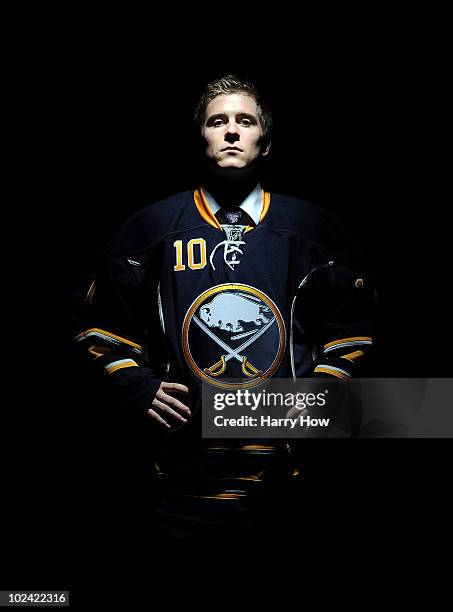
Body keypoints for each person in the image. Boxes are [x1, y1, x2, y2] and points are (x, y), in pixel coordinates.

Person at [70, 74, 377, 549]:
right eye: (218, 121)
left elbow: (355, 327)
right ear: (202, 138)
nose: (232, 131)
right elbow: (95, 323)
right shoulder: (150, 229)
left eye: (245, 121)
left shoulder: (313, 231)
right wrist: (134, 385)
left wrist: (325, 395)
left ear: (265, 142)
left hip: (287, 486)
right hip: (177, 485)